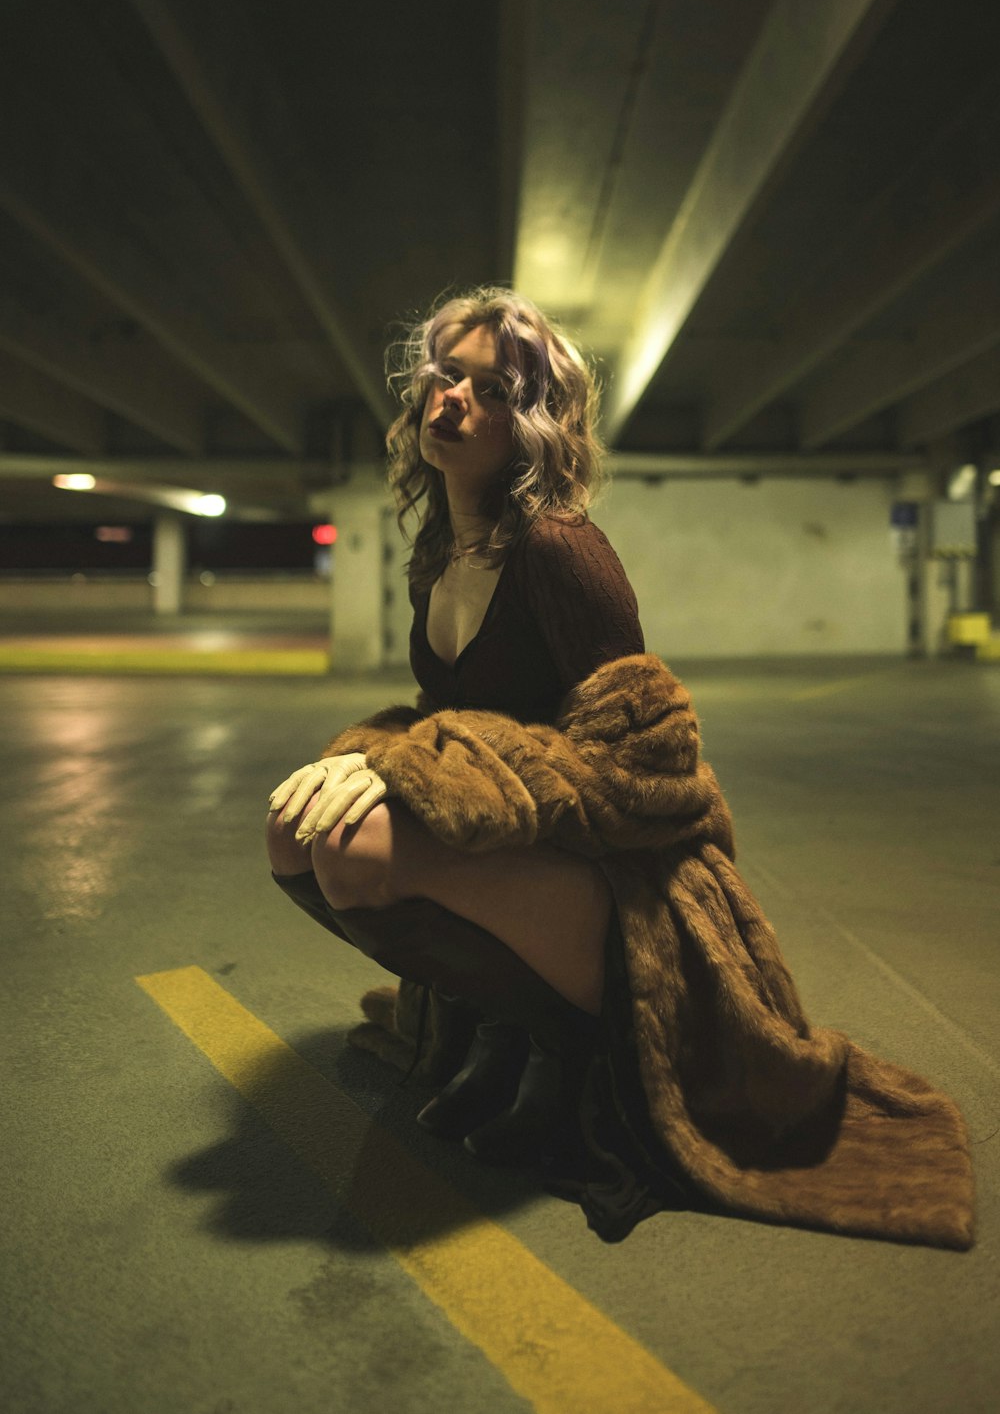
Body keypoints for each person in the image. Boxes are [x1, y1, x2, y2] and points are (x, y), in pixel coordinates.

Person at [265, 286, 974, 1249]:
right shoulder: (436, 556)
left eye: (490, 387)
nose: (451, 398)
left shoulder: (561, 549)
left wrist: (420, 770)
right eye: (444, 374)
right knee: (299, 836)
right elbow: (448, 726)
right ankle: (501, 1026)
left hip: (628, 873)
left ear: (533, 423)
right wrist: (381, 754)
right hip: (526, 848)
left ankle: (573, 1043)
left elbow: (648, 761)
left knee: (356, 850)